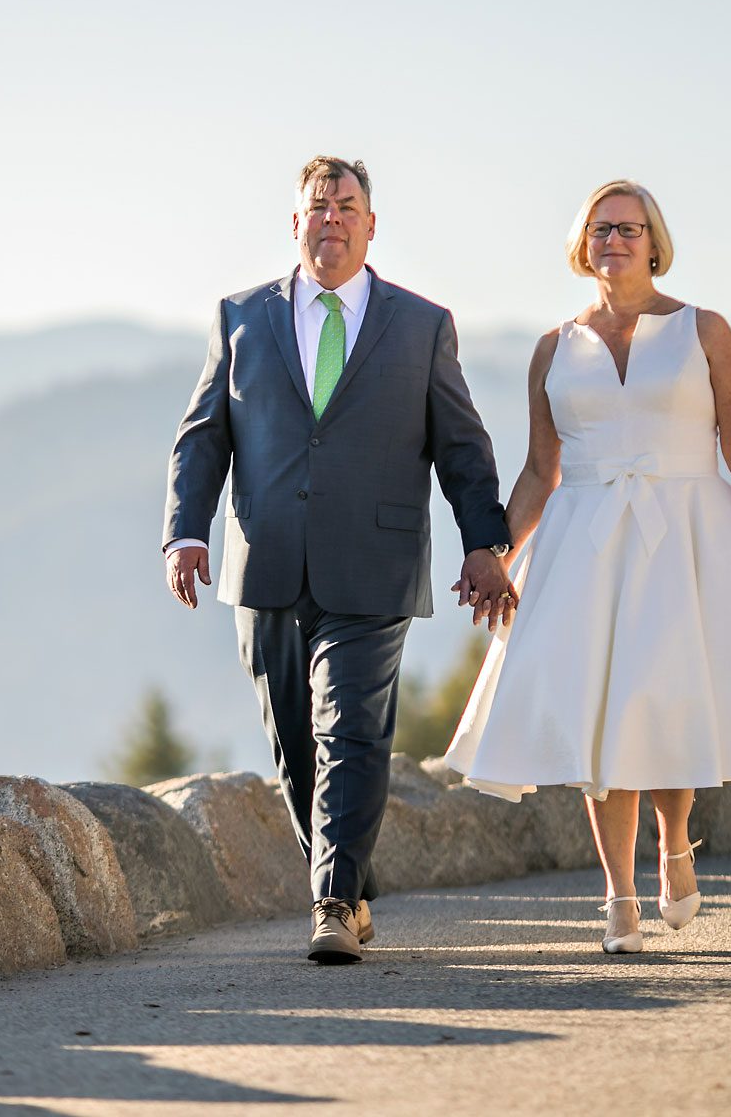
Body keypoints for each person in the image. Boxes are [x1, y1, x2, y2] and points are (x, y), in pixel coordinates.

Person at [444, 179, 731, 954]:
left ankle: (674, 841)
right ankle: (618, 897)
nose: (613, 239)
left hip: (686, 536)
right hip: (583, 542)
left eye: (628, 227)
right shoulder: (553, 347)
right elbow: (539, 471)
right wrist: (493, 553)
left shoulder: (704, 331)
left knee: (667, 698)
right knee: (600, 714)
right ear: (583, 246)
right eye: (600, 228)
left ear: (654, 241)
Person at [163, 155, 514, 964]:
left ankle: (329, 902)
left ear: (370, 224)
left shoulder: (422, 326)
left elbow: (462, 447)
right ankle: (350, 885)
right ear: (295, 224)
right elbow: (203, 435)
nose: (331, 218)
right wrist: (186, 531)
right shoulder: (240, 316)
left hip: (374, 564)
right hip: (267, 563)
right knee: (295, 744)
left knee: (350, 728)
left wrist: (486, 545)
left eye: (346, 204)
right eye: (317, 206)